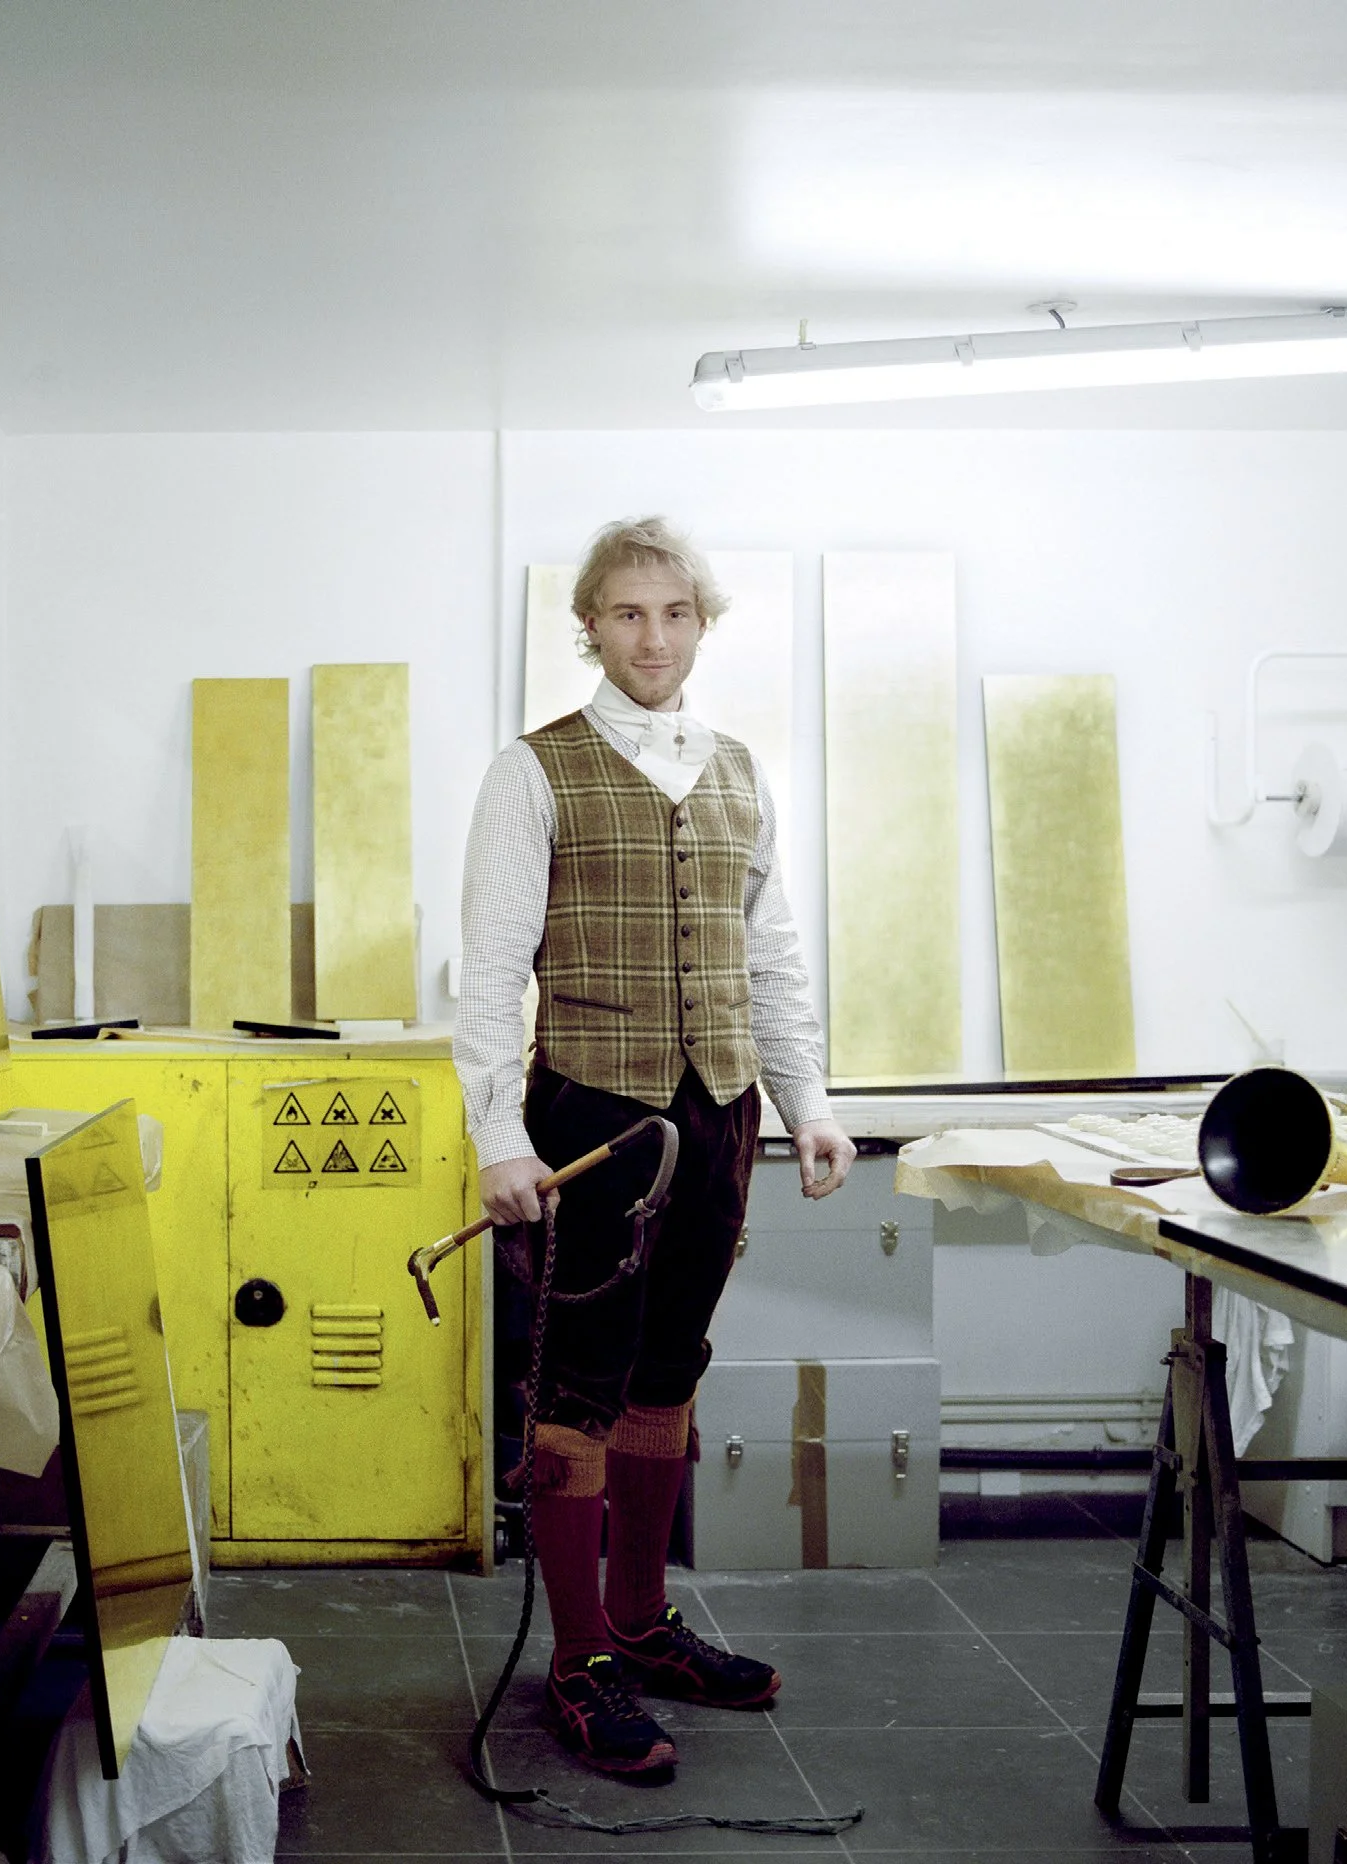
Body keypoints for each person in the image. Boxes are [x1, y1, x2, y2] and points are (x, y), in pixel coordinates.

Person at [455, 515, 855, 1775]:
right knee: (575, 1384)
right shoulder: (531, 771)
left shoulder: (736, 770)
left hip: (718, 1112)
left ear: (701, 625)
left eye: (674, 613)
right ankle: (578, 1657)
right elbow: (490, 969)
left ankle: (638, 1620)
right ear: (588, 625)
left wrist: (806, 1100)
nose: (652, 636)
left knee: (668, 1369)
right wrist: (496, 1134)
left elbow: (769, 953)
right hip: (591, 1118)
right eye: (627, 613)